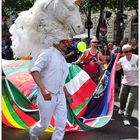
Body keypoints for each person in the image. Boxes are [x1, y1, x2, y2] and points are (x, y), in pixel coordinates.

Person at [29, 40, 73, 140]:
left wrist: (67, 93)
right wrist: (43, 90)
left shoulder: (62, 57)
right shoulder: (47, 53)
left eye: (67, 42)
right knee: (44, 124)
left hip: (60, 95)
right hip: (47, 95)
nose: (67, 44)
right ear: (57, 41)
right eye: (64, 42)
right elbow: (34, 71)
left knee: (61, 124)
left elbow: (60, 79)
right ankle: (32, 133)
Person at [116, 44, 138, 126]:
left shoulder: (136, 58)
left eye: (130, 51)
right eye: (126, 51)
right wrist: (116, 64)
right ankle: (121, 108)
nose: (129, 53)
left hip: (136, 83)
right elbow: (117, 69)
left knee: (131, 101)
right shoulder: (122, 60)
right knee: (122, 98)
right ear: (123, 52)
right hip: (125, 82)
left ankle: (126, 118)